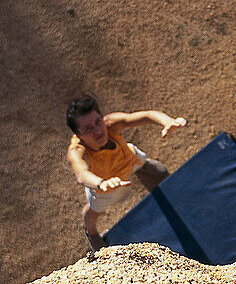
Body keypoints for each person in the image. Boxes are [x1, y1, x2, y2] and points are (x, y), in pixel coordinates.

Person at [65, 93, 187, 250]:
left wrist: (167, 121)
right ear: (79, 135)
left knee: (158, 171)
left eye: (98, 122)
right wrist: (101, 183)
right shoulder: (77, 151)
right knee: (94, 211)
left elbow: (146, 115)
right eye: (88, 128)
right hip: (107, 185)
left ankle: (156, 181)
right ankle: (91, 232)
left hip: (129, 159)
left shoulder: (111, 123)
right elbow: (81, 174)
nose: (98, 131)